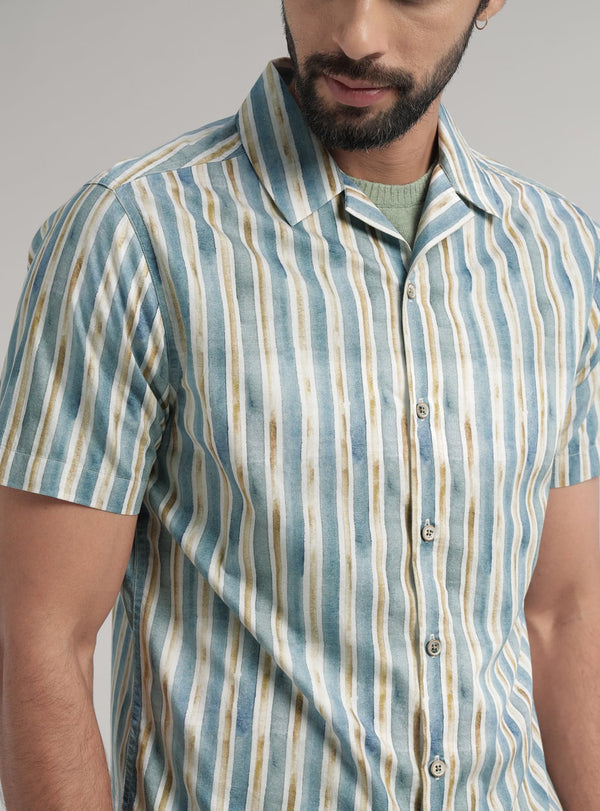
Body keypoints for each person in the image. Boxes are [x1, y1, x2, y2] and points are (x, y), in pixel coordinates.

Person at [1, 0, 599, 807]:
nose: (355, 36)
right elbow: (41, 636)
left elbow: (564, 616)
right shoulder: (132, 236)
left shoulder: (559, 255)